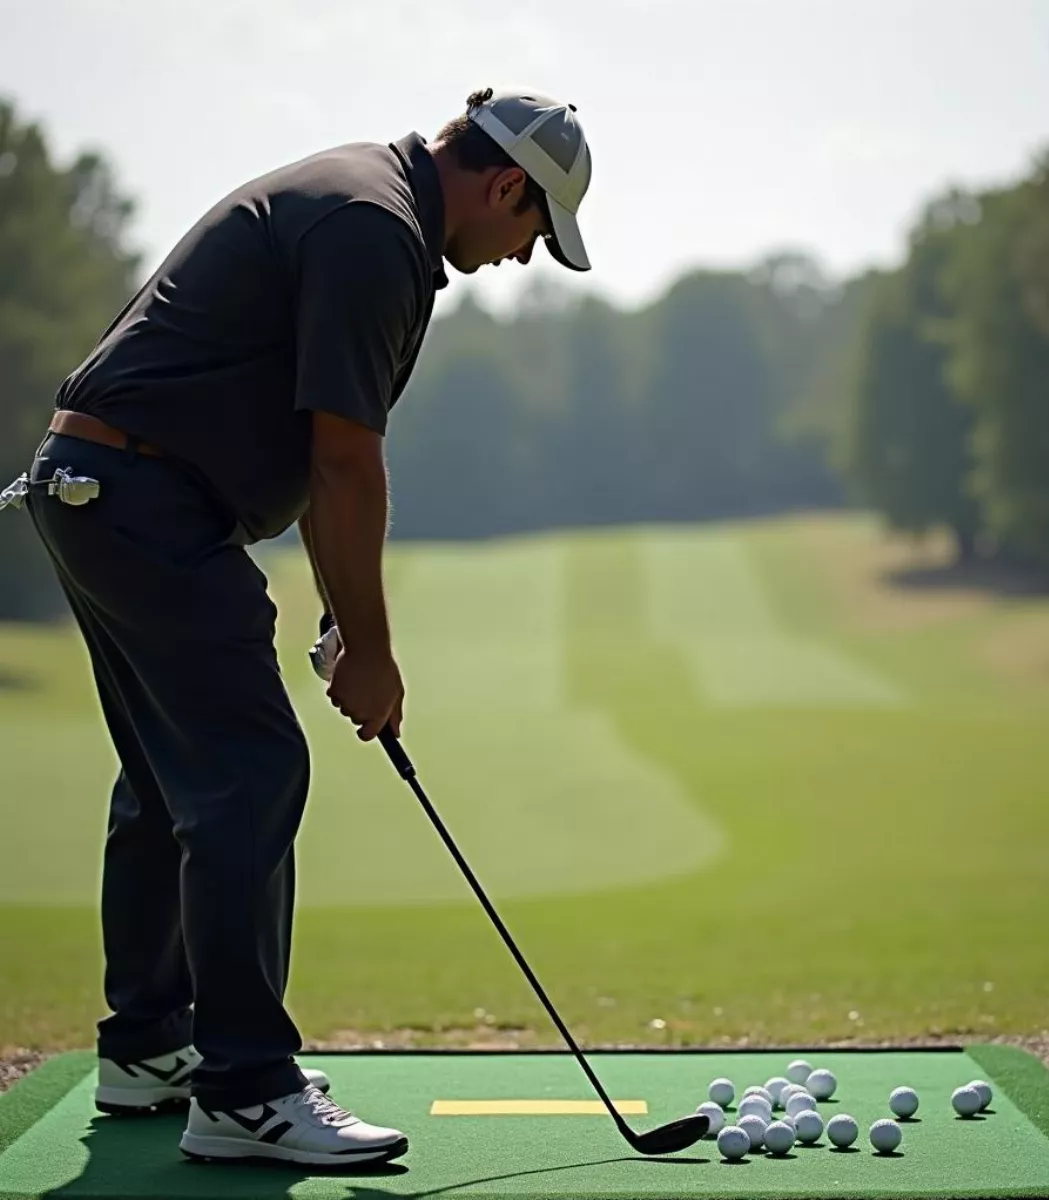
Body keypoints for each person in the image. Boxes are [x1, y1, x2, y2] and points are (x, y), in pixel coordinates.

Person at [19, 87, 592, 1170]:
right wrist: (371, 651)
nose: (524, 258)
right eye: (534, 231)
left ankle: (152, 1048)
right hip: (142, 497)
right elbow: (342, 458)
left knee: (169, 779)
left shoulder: (363, 198)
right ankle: (242, 1089)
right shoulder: (375, 228)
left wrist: (340, 612)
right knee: (248, 773)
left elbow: (315, 449)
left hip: (94, 486)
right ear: (508, 184)